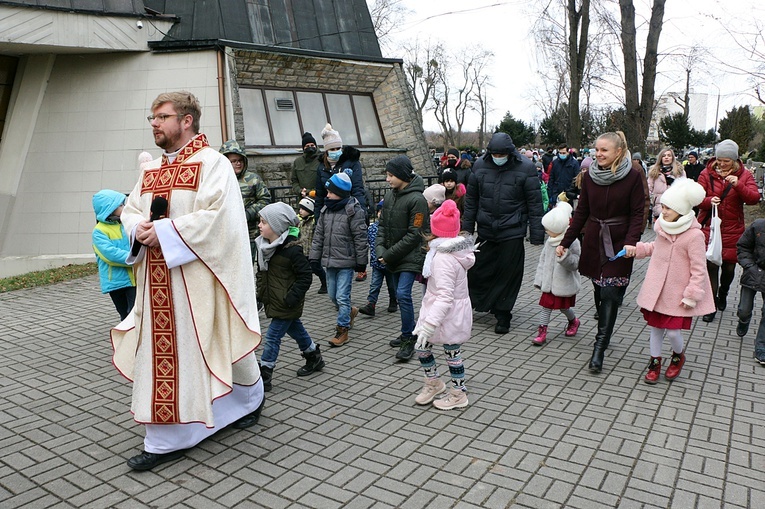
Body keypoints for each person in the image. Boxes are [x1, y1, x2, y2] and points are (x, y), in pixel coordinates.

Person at [113, 91, 264, 471]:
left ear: (186, 120)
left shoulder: (213, 164)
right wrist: (139, 227)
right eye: (151, 118)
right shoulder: (150, 171)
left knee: (213, 340)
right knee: (172, 353)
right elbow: (130, 210)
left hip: (198, 280)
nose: (154, 124)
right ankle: (169, 435)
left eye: (162, 117)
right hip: (156, 281)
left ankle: (245, 401)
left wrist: (165, 233)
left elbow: (221, 220)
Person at [557, 131, 646, 374]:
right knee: (599, 289)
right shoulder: (589, 177)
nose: (599, 154)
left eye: (604, 150)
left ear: (618, 151)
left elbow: (638, 213)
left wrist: (632, 241)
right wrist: (566, 241)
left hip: (619, 242)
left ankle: (599, 346)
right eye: (596, 150)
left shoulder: (634, 175)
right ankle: (604, 331)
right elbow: (581, 211)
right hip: (595, 240)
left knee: (609, 292)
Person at [628, 178, 714, 383]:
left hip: (677, 293)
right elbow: (655, 248)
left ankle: (677, 355)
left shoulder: (694, 236)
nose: (663, 211)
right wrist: (636, 249)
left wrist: (692, 294)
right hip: (657, 289)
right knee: (655, 328)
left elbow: (699, 269)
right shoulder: (662, 227)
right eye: (663, 207)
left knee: (674, 332)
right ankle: (654, 362)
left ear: (681, 210)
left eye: (668, 208)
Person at [461, 132, 545, 334]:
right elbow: (471, 201)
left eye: (502, 154)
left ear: (510, 153)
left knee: (508, 275)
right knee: (479, 271)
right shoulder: (480, 166)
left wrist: (536, 234)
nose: (498, 158)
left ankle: (503, 314)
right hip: (486, 230)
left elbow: (535, 204)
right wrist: (466, 229)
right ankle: (479, 303)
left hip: (512, 231)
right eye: (495, 154)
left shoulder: (525, 168)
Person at [412, 200, 475, 410]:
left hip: (446, 312)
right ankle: (434, 383)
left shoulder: (443, 259)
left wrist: (429, 323)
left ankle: (458, 393)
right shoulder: (449, 251)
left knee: (450, 351)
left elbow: (445, 296)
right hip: (443, 309)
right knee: (425, 346)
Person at [255, 202, 324, 392]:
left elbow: (305, 276)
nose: (259, 225)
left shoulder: (292, 250)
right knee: (295, 329)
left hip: (286, 302)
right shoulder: (263, 248)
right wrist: (259, 295)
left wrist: (292, 298)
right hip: (274, 300)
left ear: (277, 227)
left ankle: (265, 373)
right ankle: (313, 356)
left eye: (264, 222)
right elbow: (262, 274)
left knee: (272, 337)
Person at [698, 140, 760, 322]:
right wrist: (708, 200)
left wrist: (738, 185)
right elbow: (694, 197)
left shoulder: (745, 175)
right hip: (711, 227)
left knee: (729, 268)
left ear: (734, 160)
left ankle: (724, 292)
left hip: (733, 229)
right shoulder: (706, 173)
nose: (722, 164)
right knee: (711, 266)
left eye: (726, 161)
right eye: (719, 160)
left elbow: (754, 198)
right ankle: (711, 305)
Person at [377, 155, 430, 360]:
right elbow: (382, 226)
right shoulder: (390, 196)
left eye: (391, 175)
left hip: (410, 256)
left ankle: (409, 338)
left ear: (402, 175)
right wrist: (381, 250)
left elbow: (415, 233)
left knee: (403, 295)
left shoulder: (417, 200)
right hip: (393, 256)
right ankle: (406, 331)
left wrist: (389, 254)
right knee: (400, 295)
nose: (388, 179)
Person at [309, 172, 368, 347]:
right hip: (329, 261)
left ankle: (342, 330)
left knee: (342, 297)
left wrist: (361, 261)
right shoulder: (326, 209)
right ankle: (350, 311)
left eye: (331, 192)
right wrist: (314, 256)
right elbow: (319, 235)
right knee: (333, 296)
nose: (327, 195)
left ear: (341, 192)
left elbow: (360, 237)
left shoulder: (353, 210)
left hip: (346, 261)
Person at [532, 199, 581, 346]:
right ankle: (542, 330)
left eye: (549, 229)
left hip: (563, 282)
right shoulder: (549, 242)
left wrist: (564, 257)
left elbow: (576, 264)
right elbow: (543, 260)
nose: (547, 232)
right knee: (546, 306)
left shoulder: (572, 242)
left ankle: (573, 321)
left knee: (564, 307)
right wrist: (539, 279)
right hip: (548, 282)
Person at [219, 139, 271, 261]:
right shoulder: (218, 180)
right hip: (226, 234)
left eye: (240, 160)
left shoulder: (253, 179)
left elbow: (265, 200)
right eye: (233, 161)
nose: (238, 164)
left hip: (250, 234)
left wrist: (247, 214)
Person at [92, 189, 135, 321]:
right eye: (120, 206)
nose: (124, 207)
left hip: (134, 280)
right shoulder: (99, 231)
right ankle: (127, 340)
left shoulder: (126, 225)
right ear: (109, 209)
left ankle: (136, 340)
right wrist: (135, 257)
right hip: (117, 283)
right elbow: (110, 254)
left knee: (135, 314)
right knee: (126, 315)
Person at [314, 124, 366, 219]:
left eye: (338, 148)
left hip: (349, 211)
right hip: (329, 213)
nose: (336, 151)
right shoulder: (321, 167)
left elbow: (357, 190)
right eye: (332, 149)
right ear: (326, 151)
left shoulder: (352, 163)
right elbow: (320, 196)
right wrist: (318, 219)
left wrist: (362, 215)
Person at [358, 200, 398, 317]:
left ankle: (393, 300)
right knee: (374, 285)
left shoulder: (393, 228)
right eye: (380, 211)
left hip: (390, 263)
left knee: (392, 285)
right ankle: (371, 304)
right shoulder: (372, 228)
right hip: (377, 264)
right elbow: (369, 243)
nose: (381, 214)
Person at [735, 219, 765, 364]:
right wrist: (749, 266)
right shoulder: (758, 226)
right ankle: (743, 320)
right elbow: (743, 246)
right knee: (744, 309)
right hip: (753, 273)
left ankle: (761, 347)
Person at [296, 197, 327, 294]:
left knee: (317, 268)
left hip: (312, 252)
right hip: (303, 251)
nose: (300, 211)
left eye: (303, 209)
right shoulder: (299, 221)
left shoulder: (314, 222)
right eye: (300, 208)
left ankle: (325, 282)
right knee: (303, 272)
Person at [647, 148, 685, 223]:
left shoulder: (680, 171)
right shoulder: (654, 171)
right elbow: (649, 187)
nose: (666, 157)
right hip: (659, 206)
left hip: (675, 206)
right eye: (664, 156)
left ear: (672, 157)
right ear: (661, 158)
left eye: (669, 155)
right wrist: (651, 201)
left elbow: (685, 188)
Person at [548, 143, 580, 209]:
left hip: (569, 195)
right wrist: (551, 194)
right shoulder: (555, 163)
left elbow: (576, 179)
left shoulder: (574, 163)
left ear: (568, 152)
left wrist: (571, 193)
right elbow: (551, 178)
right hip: (557, 193)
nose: (562, 154)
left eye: (564, 153)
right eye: (560, 153)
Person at [291, 132, 321, 198]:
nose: (310, 147)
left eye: (312, 145)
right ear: (303, 148)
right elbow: (294, 180)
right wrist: (300, 191)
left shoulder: (321, 159)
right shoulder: (297, 162)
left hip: (318, 198)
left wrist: (310, 192)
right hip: (302, 199)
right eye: (307, 146)